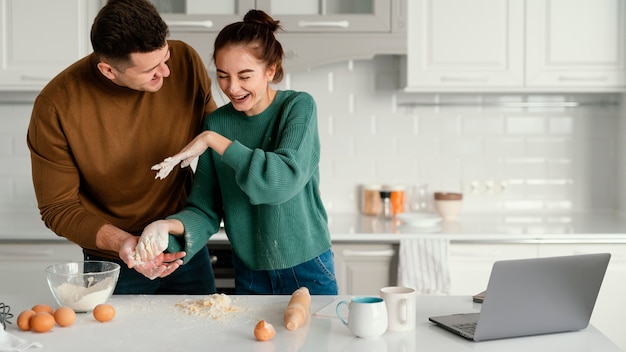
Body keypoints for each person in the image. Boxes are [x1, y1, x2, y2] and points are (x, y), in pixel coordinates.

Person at [127, 9, 338, 295]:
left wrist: (214, 141)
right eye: (223, 76)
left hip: (308, 268)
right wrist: (166, 229)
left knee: (318, 341)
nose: (232, 88)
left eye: (244, 76)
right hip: (251, 273)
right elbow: (205, 209)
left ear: (271, 70)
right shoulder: (217, 123)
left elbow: (280, 182)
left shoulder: (297, 108)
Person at [26, 0, 218, 294]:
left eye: (165, 58)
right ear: (108, 71)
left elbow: (216, 140)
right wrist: (125, 244)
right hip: (114, 262)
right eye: (151, 70)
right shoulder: (56, 106)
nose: (166, 73)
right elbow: (58, 208)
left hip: (183, 248)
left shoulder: (186, 63)